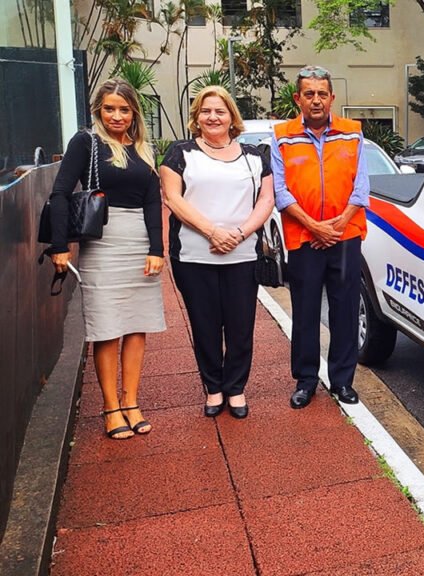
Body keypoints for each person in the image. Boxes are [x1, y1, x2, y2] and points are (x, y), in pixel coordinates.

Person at [48, 79, 165, 439]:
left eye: (124, 109)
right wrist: (59, 245)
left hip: (139, 243)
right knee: (107, 328)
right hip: (102, 242)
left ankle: (132, 402)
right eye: (110, 108)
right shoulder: (86, 143)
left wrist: (156, 250)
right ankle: (111, 407)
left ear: (134, 113)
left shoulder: (143, 147)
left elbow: (152, 202)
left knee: (136, 325)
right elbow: (60, 193)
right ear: (98, 109)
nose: (117, 115)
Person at [160, 86, 274, 419]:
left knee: (240, 327)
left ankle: (236, 389)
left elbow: (265, 200)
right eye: (206, 111)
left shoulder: (255, 155)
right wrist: (213, 232)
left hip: (242, 256)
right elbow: (173, 198)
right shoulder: (179, 153)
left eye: (220, 111)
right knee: (205, 325)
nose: (213, 117)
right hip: (195, 257)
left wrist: (238, 234)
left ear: (231, 117)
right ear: (196, 117)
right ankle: (213, 388)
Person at [270, 65, 370, 409]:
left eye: (322, 94)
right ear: (298, 98)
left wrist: (336, 226)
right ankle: (306, 380)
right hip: (304, 239)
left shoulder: (353, 133)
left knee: (344, 311)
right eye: (309, 94)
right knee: (306, 311)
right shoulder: (281, 135)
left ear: (332, 98)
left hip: (345, 237)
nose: (316, 100)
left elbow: (361, 189)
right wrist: (315, 226)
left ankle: (343, 381)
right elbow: (281, 192)